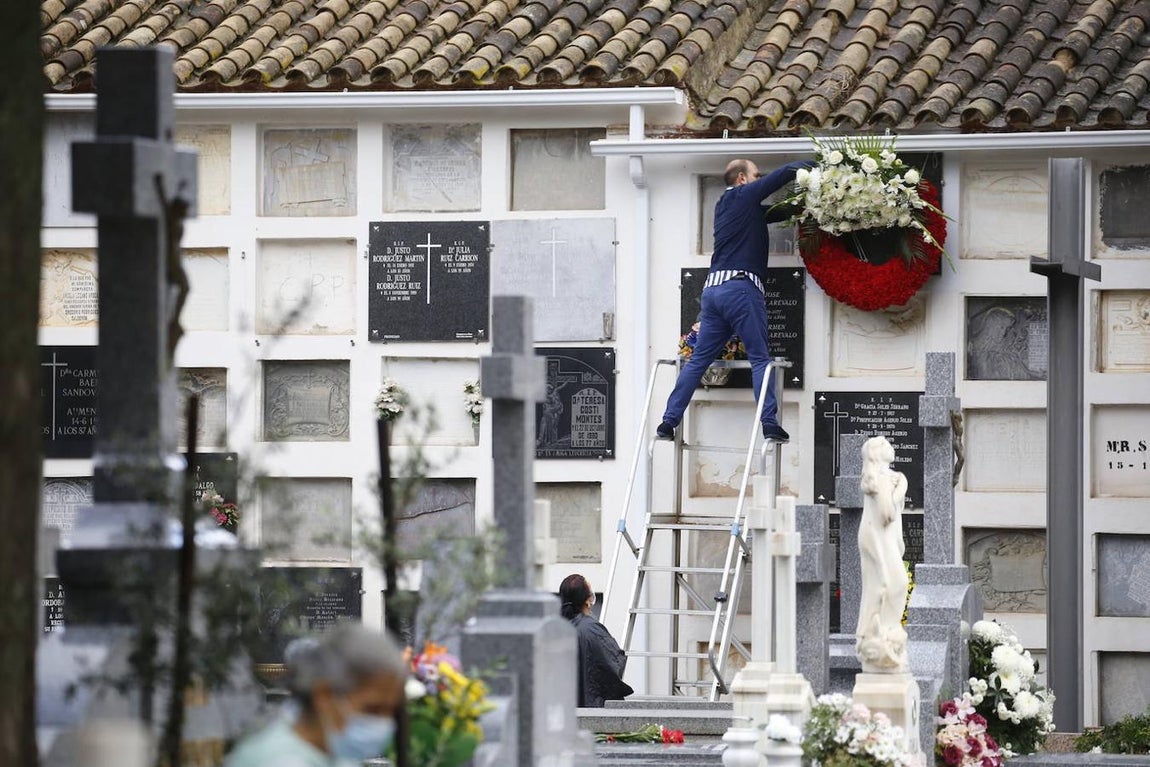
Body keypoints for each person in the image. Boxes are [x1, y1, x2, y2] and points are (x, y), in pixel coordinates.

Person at [657, 158, 810, 443]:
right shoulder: (743, 194)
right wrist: (819, 166)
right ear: (742, 178)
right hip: (740, 288)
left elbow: (776, 212)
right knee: (760, 359)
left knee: (698, 361)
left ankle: (668, 421)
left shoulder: (726, 206)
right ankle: (769, 424)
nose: (759, 178)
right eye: (756, 174)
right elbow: (784, 173)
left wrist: (809, 204)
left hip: (712, 292)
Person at [224, 623, 406, 767]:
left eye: (391, 710)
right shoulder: (280, 762)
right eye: (372, 709)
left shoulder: (331, 753)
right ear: (324, 696)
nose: (384, 723)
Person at [855, 435, 910, 673]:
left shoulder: (887, 477)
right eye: (886, 444)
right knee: (888, 585)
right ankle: (874, 638)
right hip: (876, 536)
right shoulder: (880, 478)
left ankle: (887, 634)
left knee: (892, 584)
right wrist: (903, 487)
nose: (891, 446)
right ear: (878, 453)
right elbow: (887, 513)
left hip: (881, 535)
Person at [559, 573, 633, 707]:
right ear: (587, 600)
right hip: (592, 708)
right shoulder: (592, 629)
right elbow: (613, 664)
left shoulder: (556, 629)